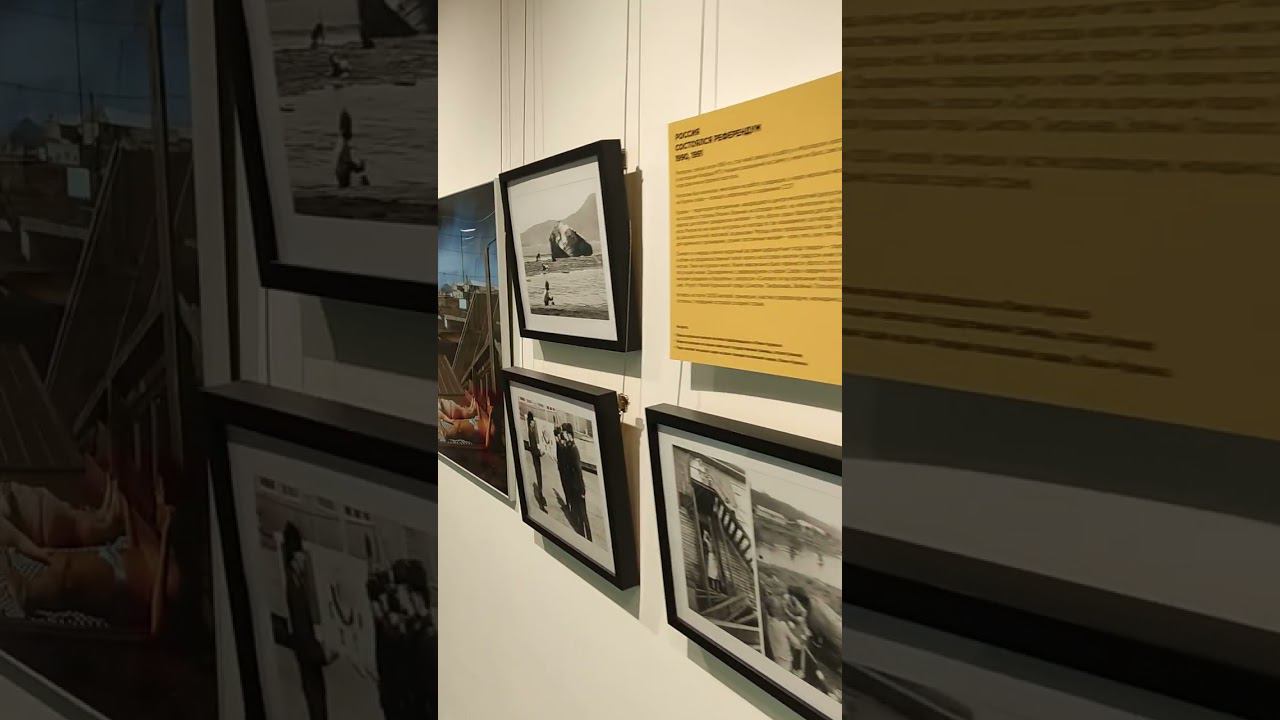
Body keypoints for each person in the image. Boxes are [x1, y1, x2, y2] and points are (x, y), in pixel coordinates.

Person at [282, 522, 336, 720]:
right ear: (294, 558)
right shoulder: (295, 588)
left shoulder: (296, 581)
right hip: (308, 658)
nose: (304, 558)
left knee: (317, 700)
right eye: (301, 555)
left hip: (308, 657)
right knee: (316, 703)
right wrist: (323, 655)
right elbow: (302, 634)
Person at [334, 108, 369, 188]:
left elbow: (346, 163)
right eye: (350, 128)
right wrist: (358, 168)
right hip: (343, 176)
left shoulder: (342, 143)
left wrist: (357, 167)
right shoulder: (343, 144)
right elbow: (347, 163)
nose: (351, 132)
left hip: (342, 175)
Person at [525, 412, 547, 511]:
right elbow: (533, 449)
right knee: (539, 478)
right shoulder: (531, 433)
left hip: (536, 457)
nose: (534, 423)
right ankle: (541, 502)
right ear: (530, 423)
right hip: (536, 458)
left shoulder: (532, 431)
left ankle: (541, 498)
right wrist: (540, 453)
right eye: (533, 422)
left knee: (539, 478)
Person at [702, 527, 722, 594]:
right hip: (711, 557)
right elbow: (704, 539)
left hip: (714, 557)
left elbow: (706, 539)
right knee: (712, 572)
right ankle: (714, 588)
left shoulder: (712, 543)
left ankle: (717, 588)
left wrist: (706, 535)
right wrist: (705, 534)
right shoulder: (709, 543)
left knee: (716, 573)